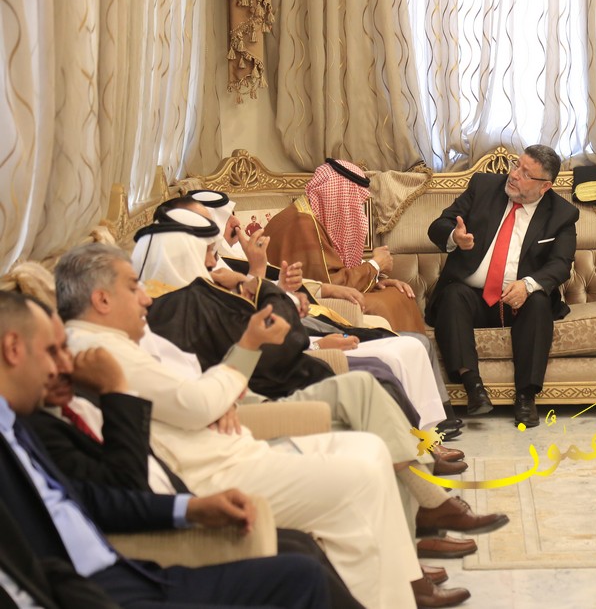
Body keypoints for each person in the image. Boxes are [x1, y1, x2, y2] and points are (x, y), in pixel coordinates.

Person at [54, 244, 440, 609]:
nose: (146, 299)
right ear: (102, 300)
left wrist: (217, 394)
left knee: (371, 450)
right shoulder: (100, 349)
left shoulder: (114, 341)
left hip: (226, 442)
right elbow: (196, 402)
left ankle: (400, 587)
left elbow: (192, 394)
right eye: (133, 288)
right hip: (209, 472)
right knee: (360, 477)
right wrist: (245, 351)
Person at [0, 291, 331, 609]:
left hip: (132, 570)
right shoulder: (41, 414)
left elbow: (87, 498)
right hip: (94, 590)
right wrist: (116, 389)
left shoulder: (18, 422)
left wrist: (190, 508)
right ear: (13, 349)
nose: (62, 366)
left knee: (303, 574)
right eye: (52, 351)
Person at [133, 207, 447, 432]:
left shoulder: (196, 295)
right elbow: (281, 338)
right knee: (380, 373)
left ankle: (428, 448)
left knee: (389, 364)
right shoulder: (190, 305)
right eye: (206, 251)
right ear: (184, 253)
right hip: (272, 389)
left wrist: (268, 285)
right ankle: (426, 454)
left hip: (282, 371)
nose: (213, 260)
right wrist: (258, 278)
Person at [426, 145, 578, 428]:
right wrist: (454, 237)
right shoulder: (484, 186)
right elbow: (439, 224)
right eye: (516, 165)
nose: (514, 175)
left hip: (518, 299)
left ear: (544, 186)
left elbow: (560, 264)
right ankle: (473, 387)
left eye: (526, 173)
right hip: (471, 297)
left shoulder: (562, 213)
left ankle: (526, 396)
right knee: (452, 295)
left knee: (538, 301)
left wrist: (528, 285)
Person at [263, 159, 425, 334]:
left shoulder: (310, 216)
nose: (359, 213)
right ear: (340, 198)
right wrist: (375, 265)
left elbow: (331, 268)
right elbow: (328, 283)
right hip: (308, 304)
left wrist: (375, 278)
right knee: (383, 304)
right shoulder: (302, 224)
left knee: (397, 293)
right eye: (355, 203)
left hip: (319, 294)